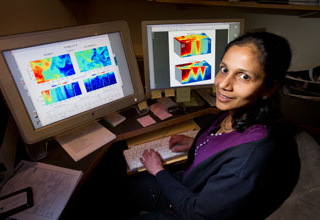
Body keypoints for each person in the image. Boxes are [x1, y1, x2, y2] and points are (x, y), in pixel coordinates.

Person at [126, 32, 300, 220]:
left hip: (189, 211)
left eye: (244, 76)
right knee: (124, 188)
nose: (223, 84)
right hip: (188, 185)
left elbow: (197, 214)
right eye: (224, 69)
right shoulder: (236, 111)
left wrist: (159, 171)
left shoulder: (250, 159)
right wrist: (197, 143)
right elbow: (225, 146)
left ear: (269, 88)